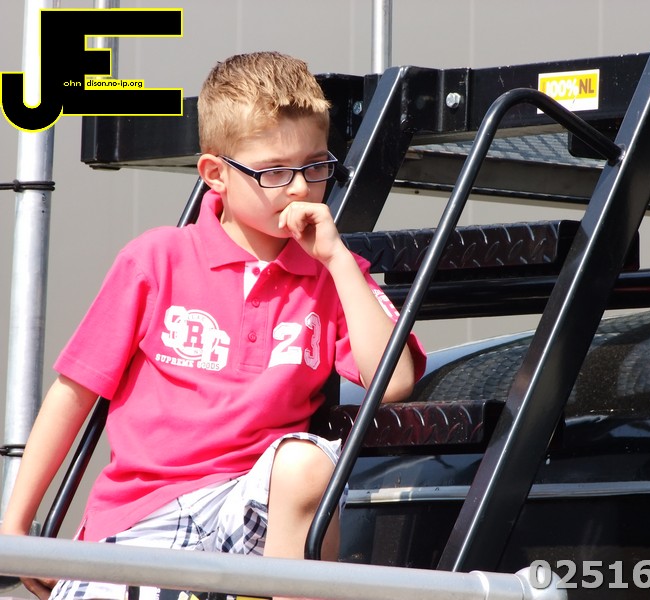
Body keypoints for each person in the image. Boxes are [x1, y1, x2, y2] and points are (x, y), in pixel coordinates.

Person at [0, 51, 426, 600]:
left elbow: (394, 381)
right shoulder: (156, 260)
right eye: (274, 172)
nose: (300, 188)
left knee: (306, 462)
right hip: (139, 520)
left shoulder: (332, 276)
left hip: (247, 508)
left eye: (315, 166)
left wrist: (339, 260)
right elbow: (74, 392)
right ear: (215, 175)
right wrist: (18, 524)